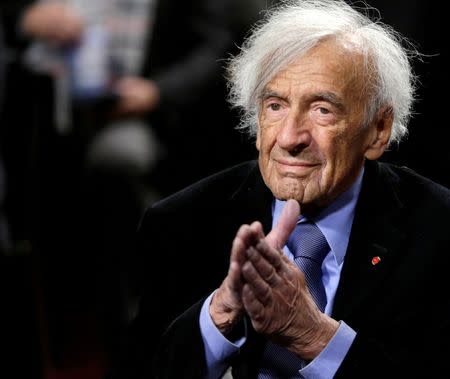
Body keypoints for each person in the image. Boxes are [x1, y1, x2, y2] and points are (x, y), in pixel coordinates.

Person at [112, 0, 450, 378]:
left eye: (323, 110)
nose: (290, 137)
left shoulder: (437, 229)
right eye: (275, 106)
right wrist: (218, 316)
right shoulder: (180, 223)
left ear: (378, 130)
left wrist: (317, 338)